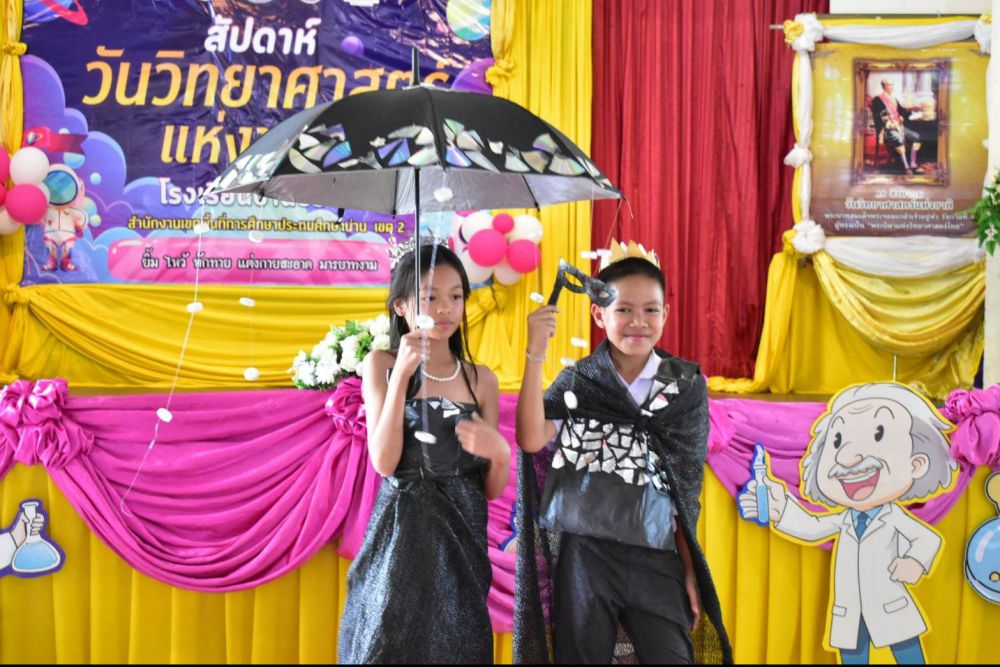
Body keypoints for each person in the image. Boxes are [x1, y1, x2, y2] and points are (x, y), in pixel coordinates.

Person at [514, 243, 732, 664]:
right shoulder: (579, 382)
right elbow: (530, 438)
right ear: (599, 315)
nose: (638, 322)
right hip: (586, 557)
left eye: (651, 310)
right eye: (624, 310)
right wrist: (534, 353)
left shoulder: (685, 387)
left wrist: (689, 568)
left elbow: (685, 489)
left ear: (666, 314)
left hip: (657, 556)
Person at [338, 242, 511, 664]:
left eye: (456, 296)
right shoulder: (381, 364)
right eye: (431, 297)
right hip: (402, 532)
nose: (446, 308)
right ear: (401, 306)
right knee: (390, 643)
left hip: (461, 534)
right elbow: (384, 462)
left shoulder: (481, 379)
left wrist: (501, 454)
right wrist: (401, 377)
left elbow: (489, 489)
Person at [739, 382, 957, 665]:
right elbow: (813, 527)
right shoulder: (844, 519)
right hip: (851, 612)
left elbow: (927, 538)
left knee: (908, 654)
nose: (846, 458)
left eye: (878, 434)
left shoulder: (894, 516)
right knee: (853, 656)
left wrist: (915, 562)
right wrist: (781, 511)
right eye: (837, 440)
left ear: (916, 465)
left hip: (889, 607)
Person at [871, 79, 924, 175]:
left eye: (892, 85)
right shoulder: (877, 100)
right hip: (887, 130)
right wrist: (889, 123)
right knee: (899, 139)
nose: (891, 87)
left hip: (899, 127)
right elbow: (878, 117)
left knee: (916, 136)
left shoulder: (894, 99)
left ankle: (913, 164)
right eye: (889, 85)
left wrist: (915, 113)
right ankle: (906, 167)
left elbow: (903, 112)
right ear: (883, 86)